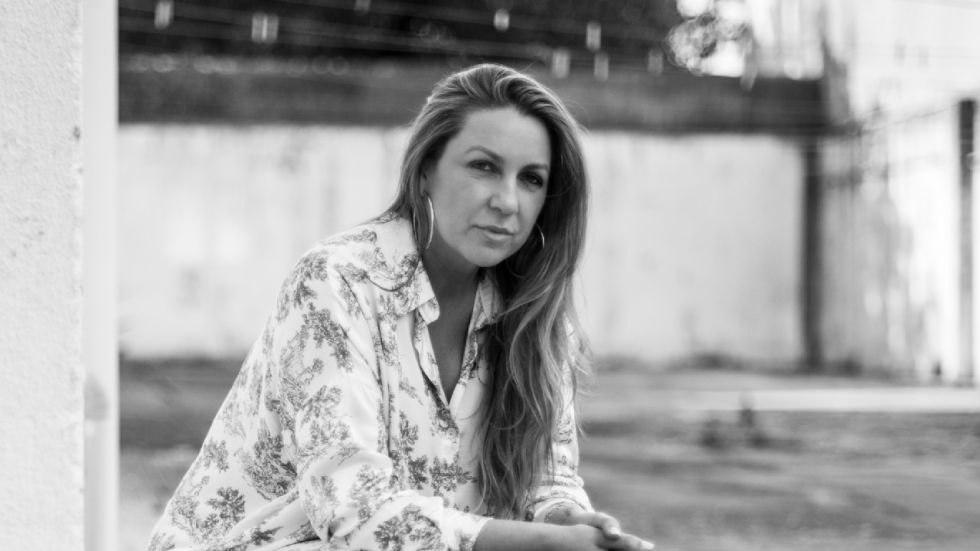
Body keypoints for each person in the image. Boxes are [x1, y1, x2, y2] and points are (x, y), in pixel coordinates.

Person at [148, 63, 653, 551]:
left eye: (531, 179)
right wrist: (537, 543)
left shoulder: (533, 318)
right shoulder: (338, 282)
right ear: (426, 169)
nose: (507, 201)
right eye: (484, 167)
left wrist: (567, 520)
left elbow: (547, 480)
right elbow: (351, 509)